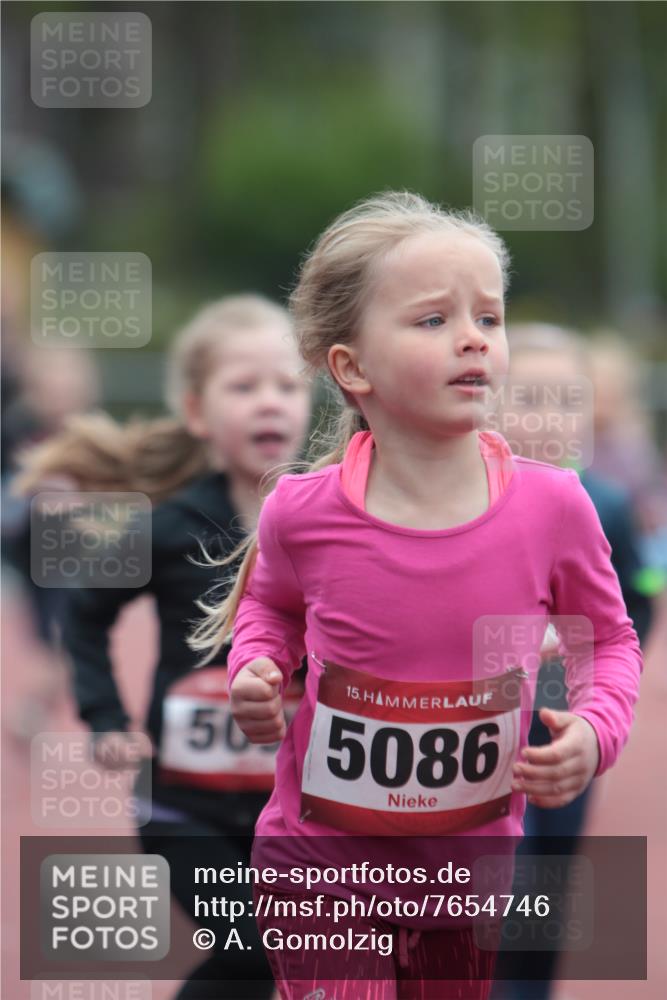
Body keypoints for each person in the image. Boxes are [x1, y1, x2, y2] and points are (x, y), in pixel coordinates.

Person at [191, 192, 643, 1000]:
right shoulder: (302, 509)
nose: (474, 337)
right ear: (351, 366)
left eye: (489, 319)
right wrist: (255, 668)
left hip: (464, 876)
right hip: (317, 865)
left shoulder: (554, 506)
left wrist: (597, 732)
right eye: (432, 321)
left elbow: (607, 642)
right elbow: (270, 607)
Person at [16, 295, 312, 1000]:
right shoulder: (167, 526)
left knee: (284, 967)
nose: (268, 402)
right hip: (182, 807)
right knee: (254, 956)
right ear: (197, 411)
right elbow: (85, 618)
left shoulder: (327, 517)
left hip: (297, 801)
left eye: (287, 385)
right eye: (244, 386)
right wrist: (106, 720)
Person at [488, 323, 658, 1000]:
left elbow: (630, 619)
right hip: (475, 733)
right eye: (527, 398)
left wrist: (595, 710)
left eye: (566, 401)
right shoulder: (463, 502)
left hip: (563, 729)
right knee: (501, 879)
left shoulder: (608, 505)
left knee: (549, 876)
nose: (547, 417)